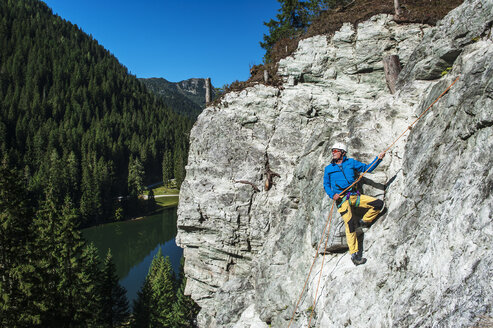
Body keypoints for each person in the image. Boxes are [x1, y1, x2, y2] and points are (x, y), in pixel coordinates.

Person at [323, 142, 385, 266]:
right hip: (342, 199)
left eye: (336, 151)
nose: (333, 153)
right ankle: (354, 255)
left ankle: (365, 221)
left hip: (354, 196)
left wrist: (378, 159)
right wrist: (332, 195)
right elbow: (326, 185)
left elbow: (368, 168)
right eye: (333, 151)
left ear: (342, 153)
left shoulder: (351, 163)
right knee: (350, 224)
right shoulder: (329, 169)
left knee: (378, 204)